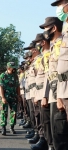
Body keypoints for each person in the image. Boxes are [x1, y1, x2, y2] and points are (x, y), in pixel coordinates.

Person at [40, 16, 64, 150]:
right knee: (56, 132)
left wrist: (60, 96)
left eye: (46, 29)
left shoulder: (62, 44)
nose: (45, 32)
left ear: (54, 28)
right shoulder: (54, 47)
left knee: (61, 134)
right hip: (54, 94)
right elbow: (50, 75)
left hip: (61, 93)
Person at [51, 1, 68, 149]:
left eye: (61, 4)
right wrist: (60, 95)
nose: (59, 8)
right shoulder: (65, 33)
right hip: (64, 89)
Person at [0, 62, 21, 136]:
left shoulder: (15, 76)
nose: (14, 69)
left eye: (14, 67)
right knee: (4, 112)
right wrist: (3, 97)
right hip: (5, 96)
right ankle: (3, 127)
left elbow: (17, 86)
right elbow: (0, 87)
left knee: (13, 112)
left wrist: (18, 95)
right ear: (8, 68)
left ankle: (12, 127)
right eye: (12, 67)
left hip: (13, 96)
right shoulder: (2, 75)